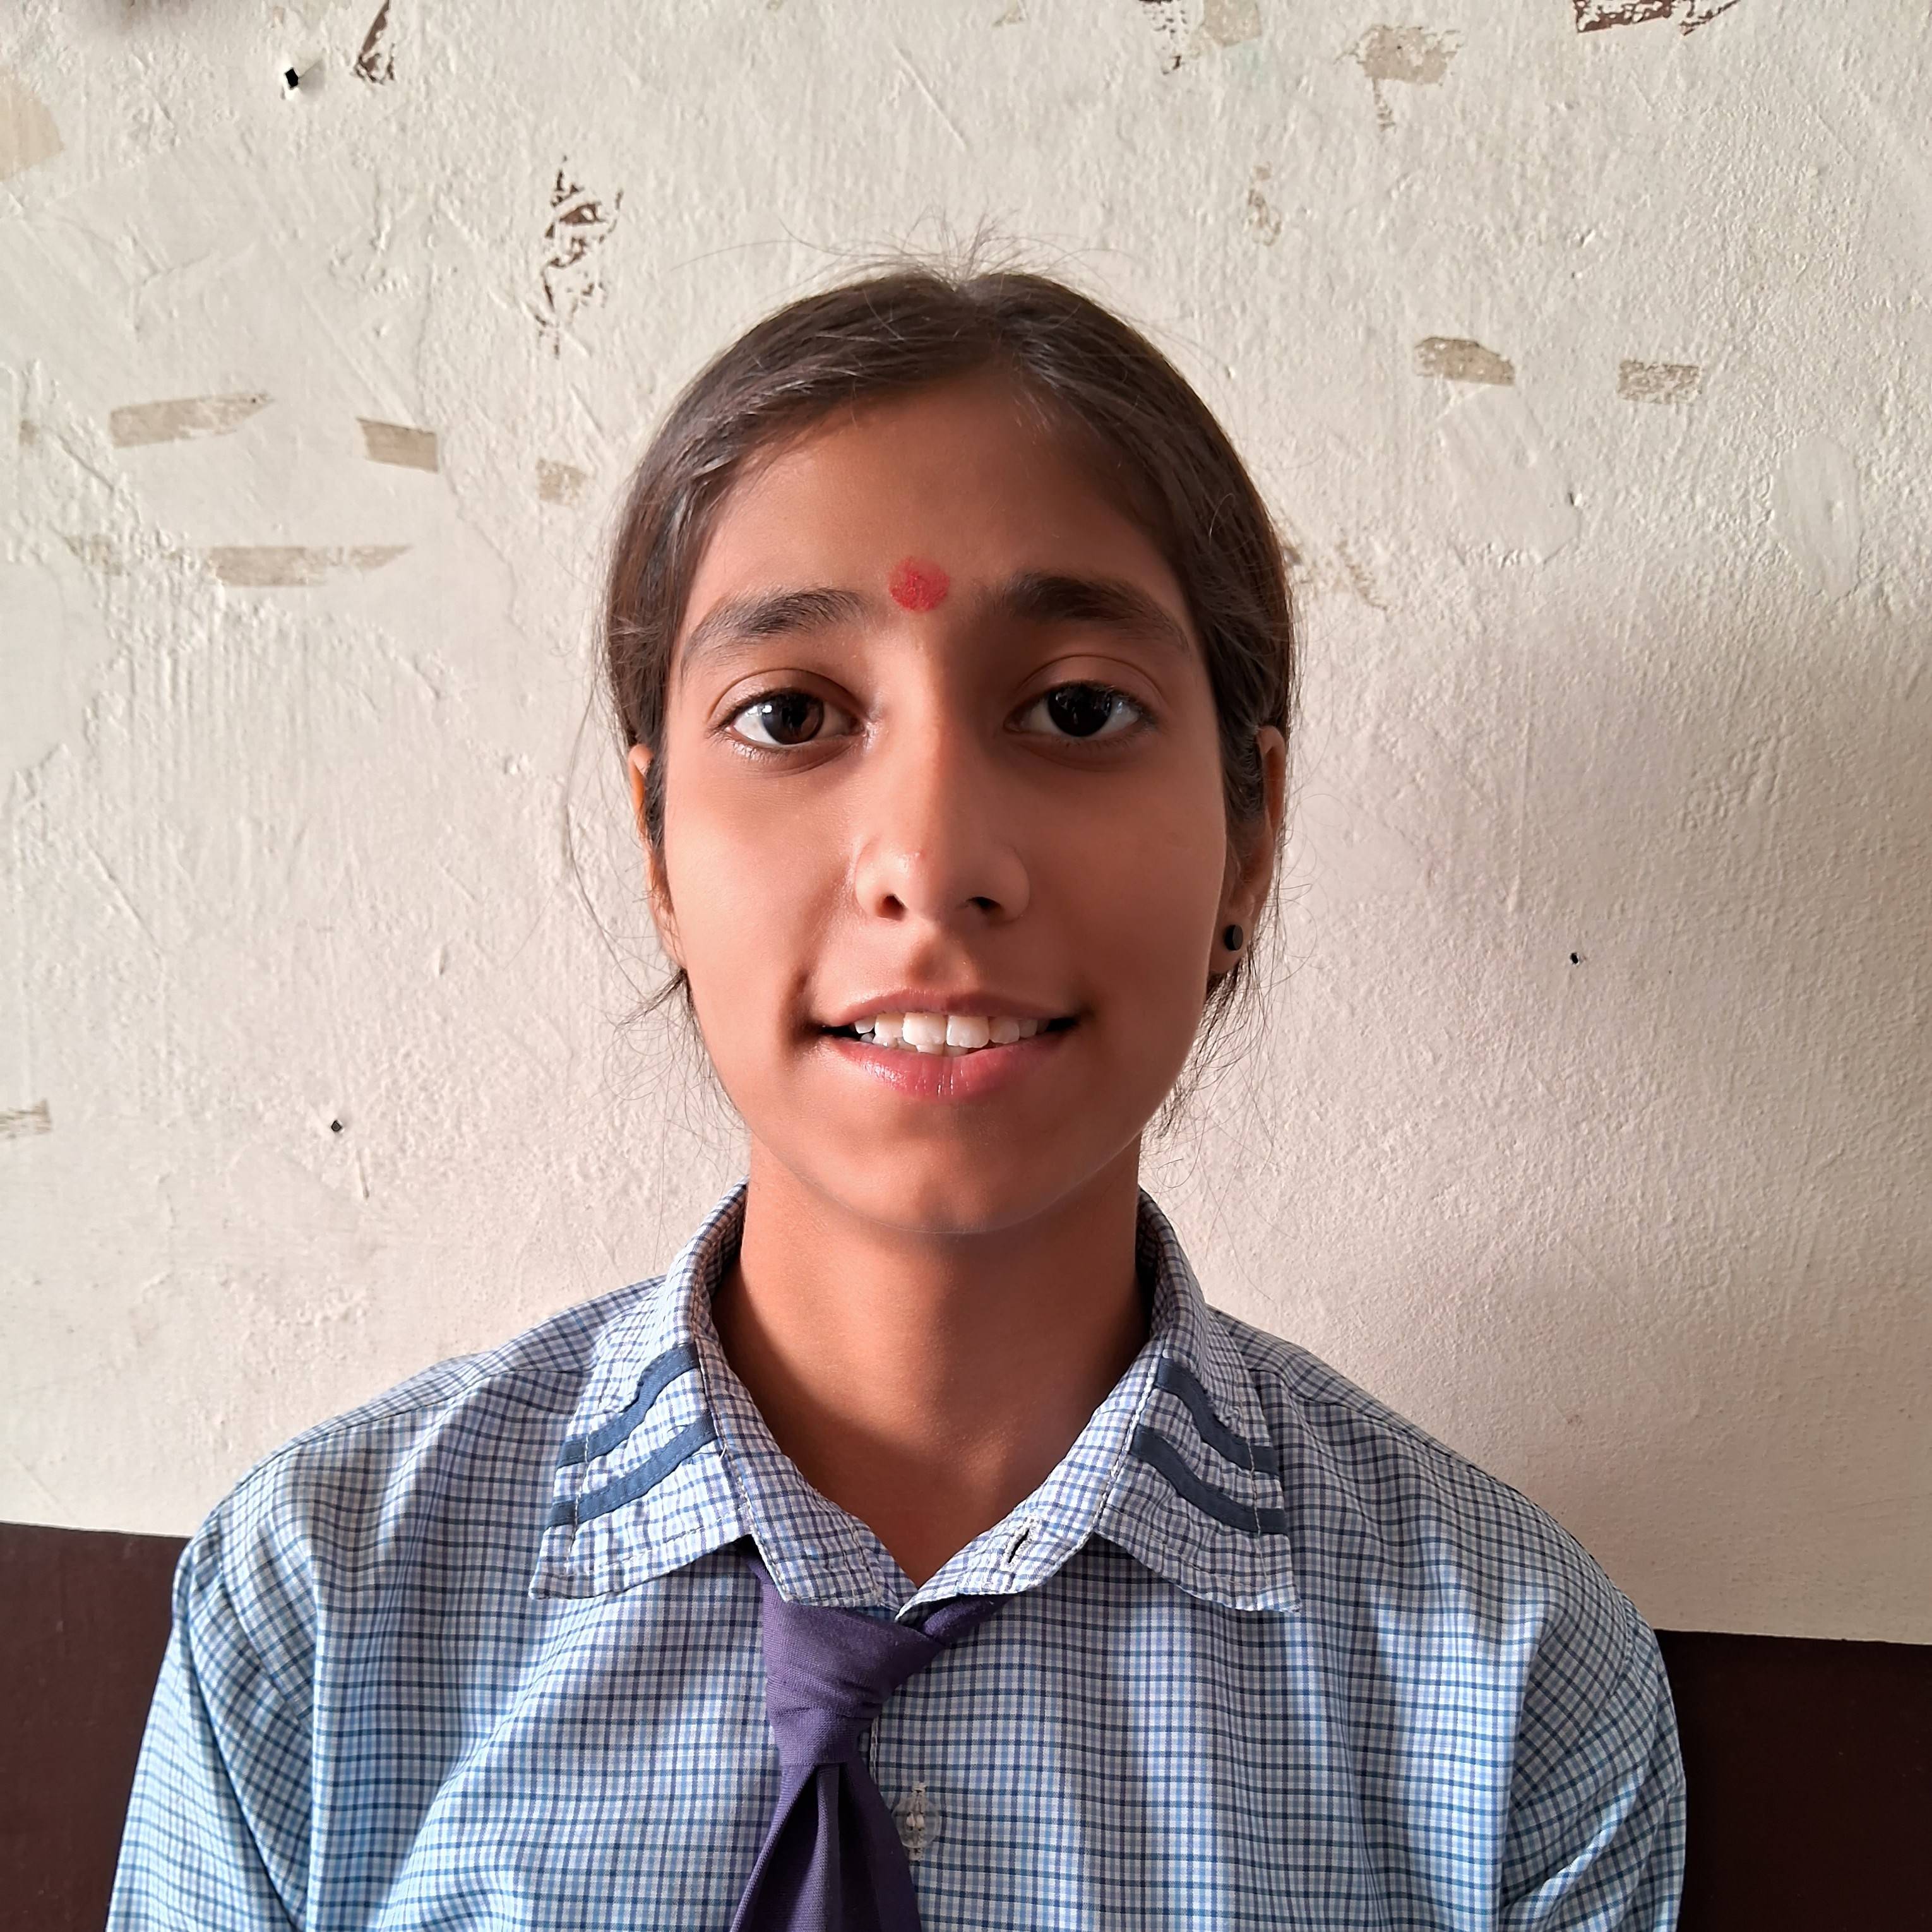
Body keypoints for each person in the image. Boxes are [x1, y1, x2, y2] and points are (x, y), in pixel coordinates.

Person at [108, 255, 1686, 1931]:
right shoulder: (318, 1610)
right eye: (790, 713)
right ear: (656, 844)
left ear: (1253, 830)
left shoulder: (1514, 1686)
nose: (932, 866)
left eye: (1078, 708)